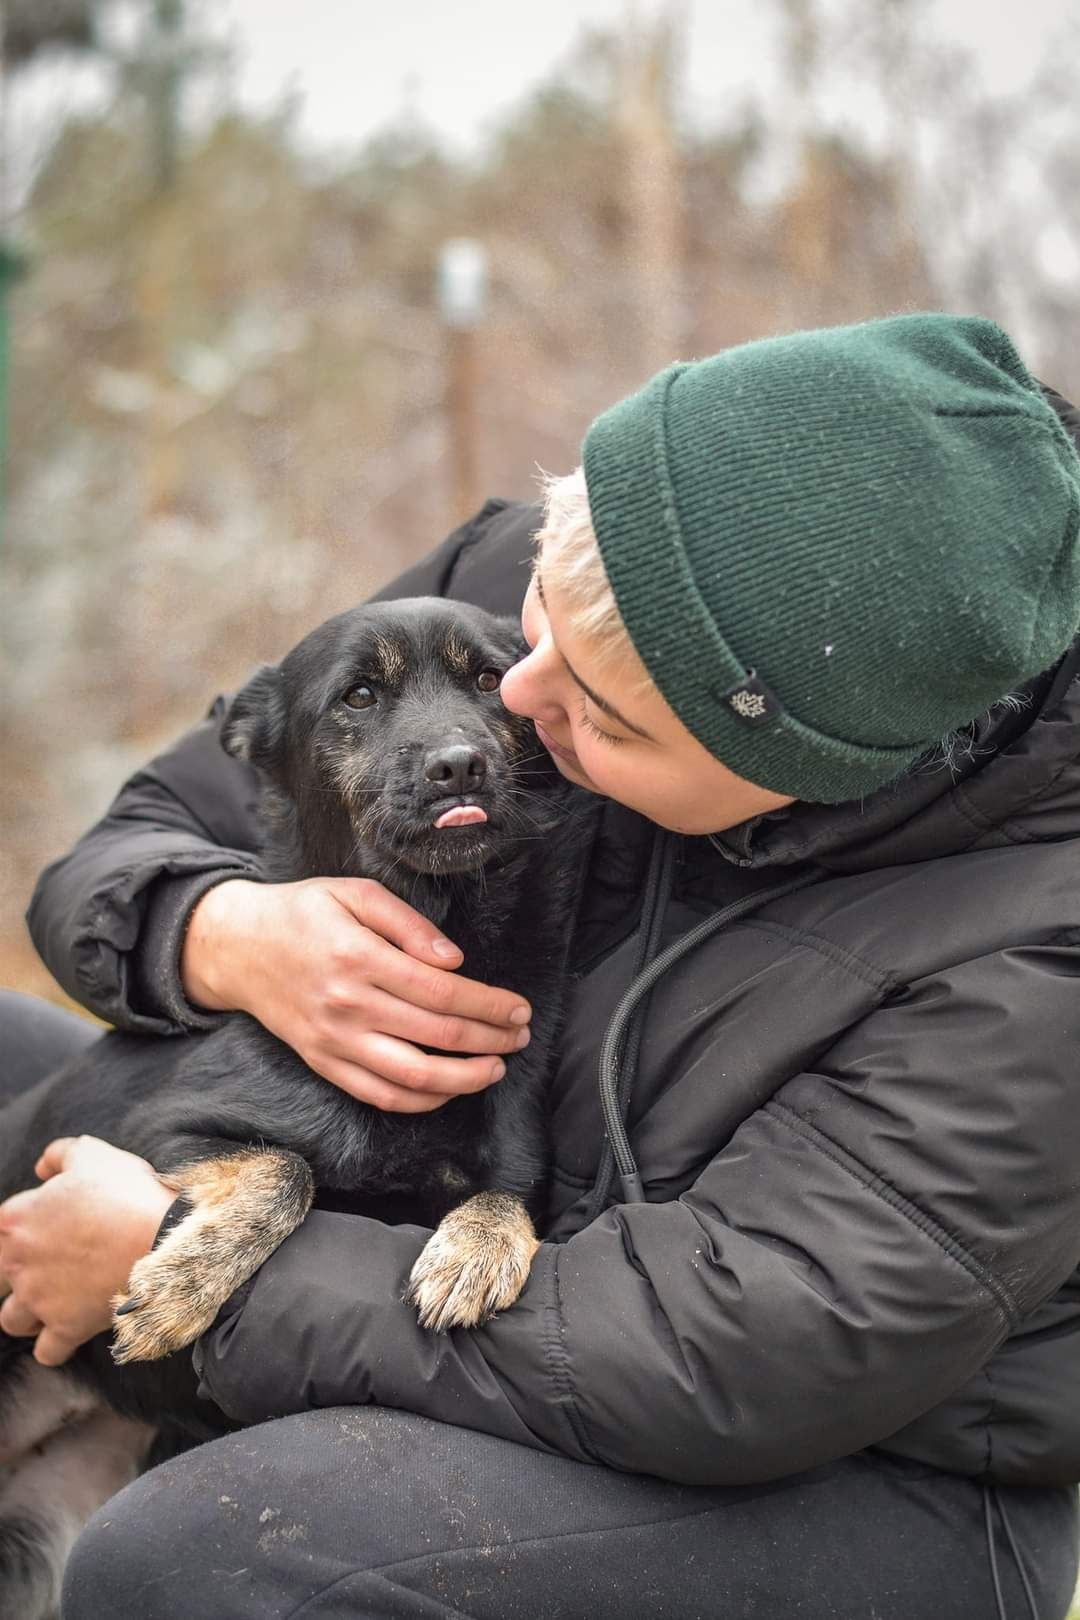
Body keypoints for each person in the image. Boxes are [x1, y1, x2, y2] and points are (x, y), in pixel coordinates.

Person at [2, 311, 1080, 1620]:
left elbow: (713, 1357)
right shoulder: (546, 583)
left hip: (822, 1462)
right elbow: (138, 840)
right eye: (536, 619)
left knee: (206, 1553)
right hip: (419, 1193)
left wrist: (200, 1268)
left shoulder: (1032, 959)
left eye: (599, 715)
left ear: (797, 778)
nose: (508, 708)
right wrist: (219, 929)